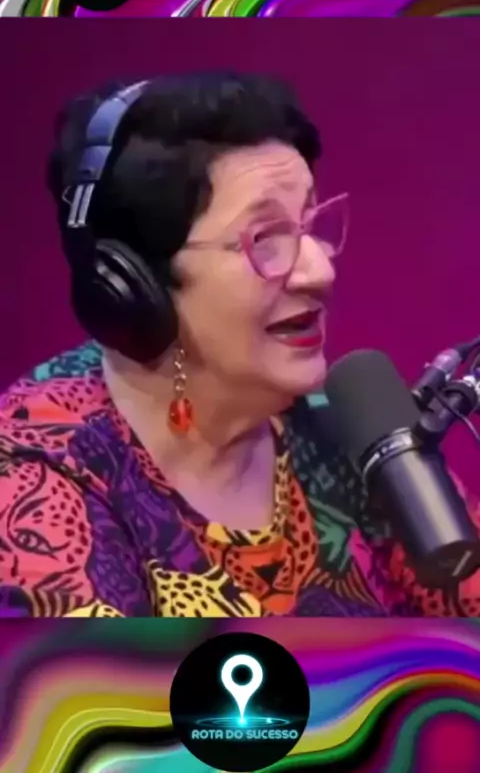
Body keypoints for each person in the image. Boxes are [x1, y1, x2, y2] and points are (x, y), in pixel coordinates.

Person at [1, 71, 479, 619]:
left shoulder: (345, 430)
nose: (319, 270)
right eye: (264, 238)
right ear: (136, 284)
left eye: (310, 225)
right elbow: (93, 679)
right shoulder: (34, 476)